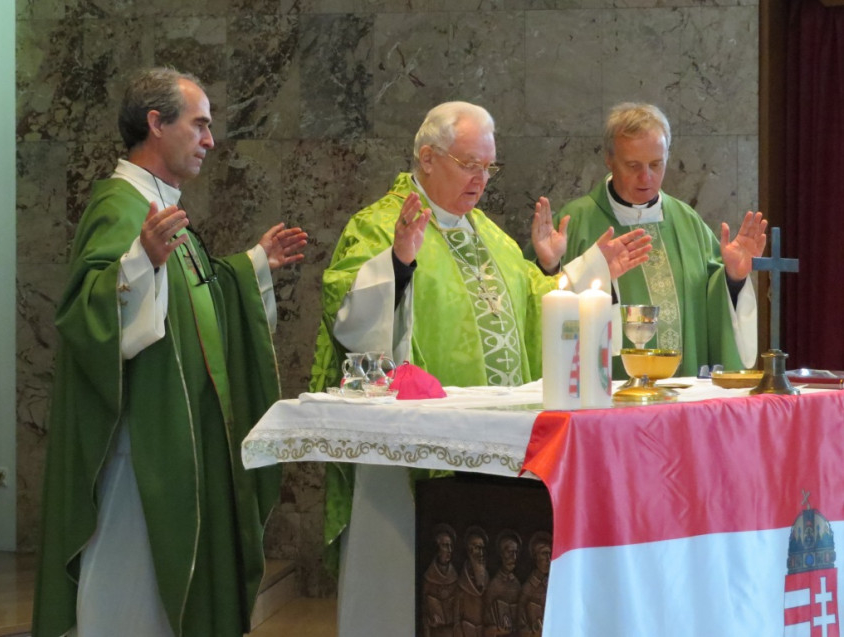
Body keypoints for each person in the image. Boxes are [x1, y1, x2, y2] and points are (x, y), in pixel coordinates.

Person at [308, 101, 649, 566]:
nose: (482, 179)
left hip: (497, 446)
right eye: (470, 164)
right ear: (428, 158)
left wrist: (591, 270)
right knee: (406, 573)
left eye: (489, 167)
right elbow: (348, 318)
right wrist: (397, 263)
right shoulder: (379, 226)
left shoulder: (489, 235)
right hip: (413, 452)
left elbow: (538, 304)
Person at [32, 67, 308, 637]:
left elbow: (196, 299)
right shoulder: (120, 205)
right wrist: (140, 263)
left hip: (180, 436)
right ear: (156, 123)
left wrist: (252, 264)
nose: (210, 140)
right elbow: (85, 313)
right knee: (132, 585)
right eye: (199, 125)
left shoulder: (157, 204)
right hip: (141, 448)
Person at [529, 102, 766, 378]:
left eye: (656, 164)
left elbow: (712, 306)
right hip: (606, 392)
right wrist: (549, 266)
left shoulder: (688, 222)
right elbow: (536, 306)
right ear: (609, 159)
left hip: (683, 389)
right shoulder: (575, 223)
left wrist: (733, 279)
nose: (646, 177)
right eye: (633, 165)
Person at [422, 524, 459, 637]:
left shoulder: (455, 578)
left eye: (451, 546)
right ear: (437, 549)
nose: (449, 550)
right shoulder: (429, 578)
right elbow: (424, 614)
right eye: (445, 546)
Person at [483, 530, 523, 636]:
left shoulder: (517, 584)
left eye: (516, 553)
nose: (514, 557)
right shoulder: (493, 586)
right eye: (509, 552)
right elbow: (485, 624)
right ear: (501, 554)